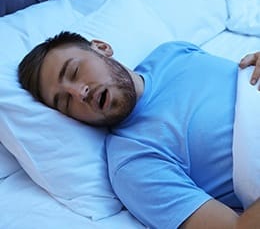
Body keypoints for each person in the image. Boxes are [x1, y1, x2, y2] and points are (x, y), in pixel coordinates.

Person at [18, 31, 260, 228]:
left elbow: (243, 86)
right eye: (65, 102)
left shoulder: (173, 52)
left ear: (101, 47)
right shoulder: (132, 160)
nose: (79, 93)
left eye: (74, 72)